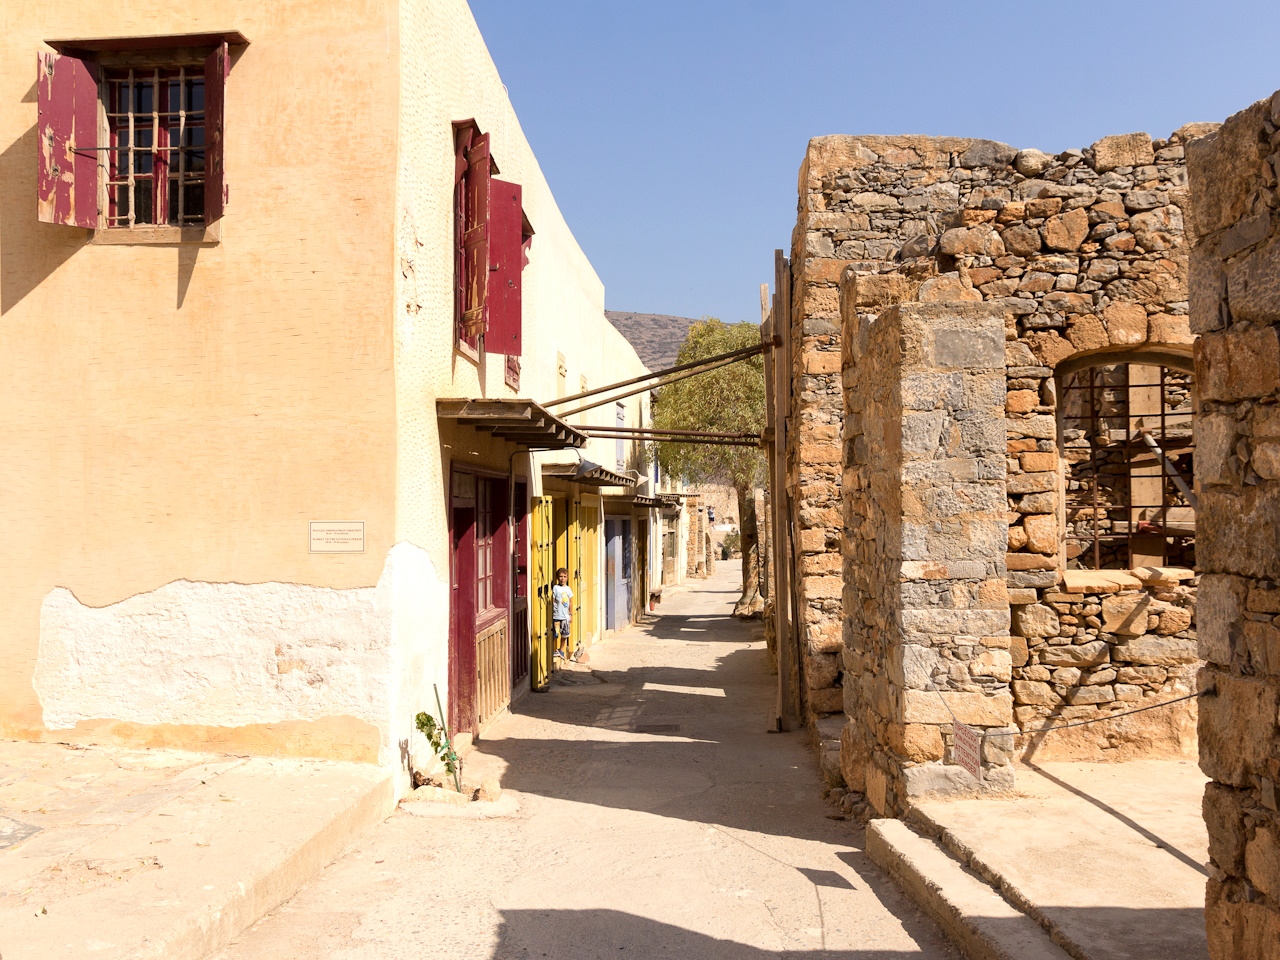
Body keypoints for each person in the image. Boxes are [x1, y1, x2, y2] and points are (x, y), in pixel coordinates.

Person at [551, 567, 574, 663]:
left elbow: (571, 603)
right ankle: (552, 649)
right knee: (555, 634)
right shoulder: (555, 588)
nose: (562, 579)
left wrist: (571, 614)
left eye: (564, 577)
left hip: (565, 617)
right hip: (556, 616)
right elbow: (552, 601)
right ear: (557, 578)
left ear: (567, 578)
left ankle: (561, 650)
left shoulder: (568, 589)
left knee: (564, 634)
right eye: (560, 577)